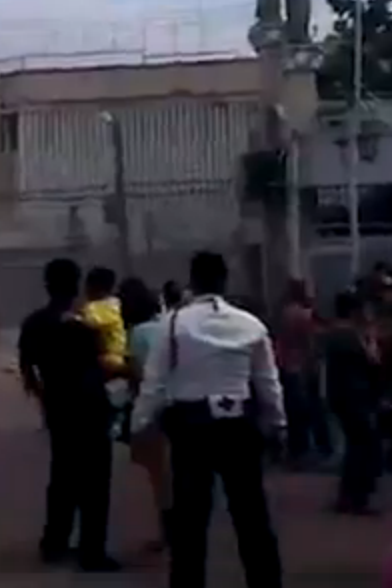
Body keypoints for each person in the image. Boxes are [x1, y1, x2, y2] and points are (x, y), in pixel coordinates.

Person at [132, 251, 285, 588]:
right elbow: (267, 382)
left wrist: (140, 423)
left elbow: (155, 381)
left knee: (190, 520)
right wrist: (277, 424)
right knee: (251, 515)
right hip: (240, 425)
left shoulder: (172, 324)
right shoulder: (250, 324)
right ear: (224, 280)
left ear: (193, 281)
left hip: (192, 427)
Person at [19, 258, 121, 573]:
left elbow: (27, 369)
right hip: (91, 407)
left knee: (62, 476)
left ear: (47, 284)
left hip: (59, 407)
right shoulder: (88, 321)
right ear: (77, 284)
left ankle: (54, 544)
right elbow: (108, 363)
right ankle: (93, 552)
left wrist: (43, 399)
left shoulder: (35, 322)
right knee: (95, 482)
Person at [122, 283, 172, 553]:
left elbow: (138, 375)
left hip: (152, 408)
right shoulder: (168, 325)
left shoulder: (137, 334)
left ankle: (168, 532)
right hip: (179, 404)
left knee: (160, 477)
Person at [324, 290, 383, 515]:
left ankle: (349, 496)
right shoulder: (348, 335)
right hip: (355, 397)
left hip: (344, 397)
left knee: (357, 446)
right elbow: (372, 362)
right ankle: (356, 498)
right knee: (363, 446)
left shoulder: (336, 333)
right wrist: (371, 339)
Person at [275, 278, 331, 467]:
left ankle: (297, 450)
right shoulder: (305, 315)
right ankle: (321, 448)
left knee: (295, 412)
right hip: (305, 367)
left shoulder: (284, 313)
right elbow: (312, 343)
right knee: (313, 410)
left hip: (288, 366)